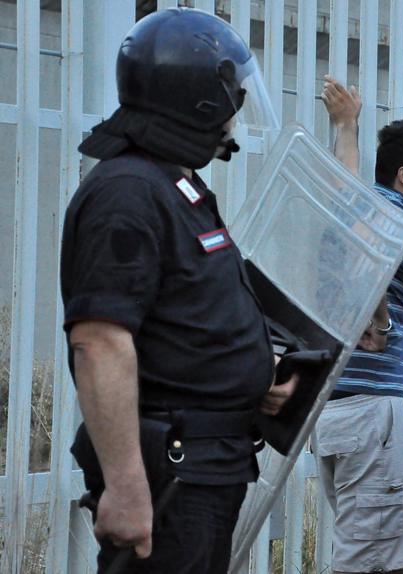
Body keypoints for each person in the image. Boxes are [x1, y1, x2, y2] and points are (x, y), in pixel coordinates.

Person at [60, 8, 294, 573]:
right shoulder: (127, 191)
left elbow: (187, 313)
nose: (237, 110)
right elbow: (99, 342)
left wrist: (252, 374)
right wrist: (125, 487)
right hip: (169, 475)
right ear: (200, 100)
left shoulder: (173, 185)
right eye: (231, 93)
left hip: (205, 466)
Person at [314, 77, 403, 574]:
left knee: (384, 554)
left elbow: (345, 198)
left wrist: (346, 128)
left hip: (348, 407)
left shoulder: (373, 206)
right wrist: (381, 319)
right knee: (375, 564)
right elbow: (359, 244)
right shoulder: (392, 214)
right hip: (368, 408)